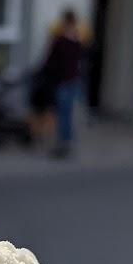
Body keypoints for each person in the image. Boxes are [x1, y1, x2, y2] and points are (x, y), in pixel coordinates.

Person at [40, 8, 84, 157]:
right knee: (66, 113)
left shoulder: (63, 40)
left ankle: (64, 144)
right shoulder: (75, 39)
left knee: (64, 114)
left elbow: (50, 62)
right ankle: (66, 142)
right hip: (72, 80)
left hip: (65, 81)